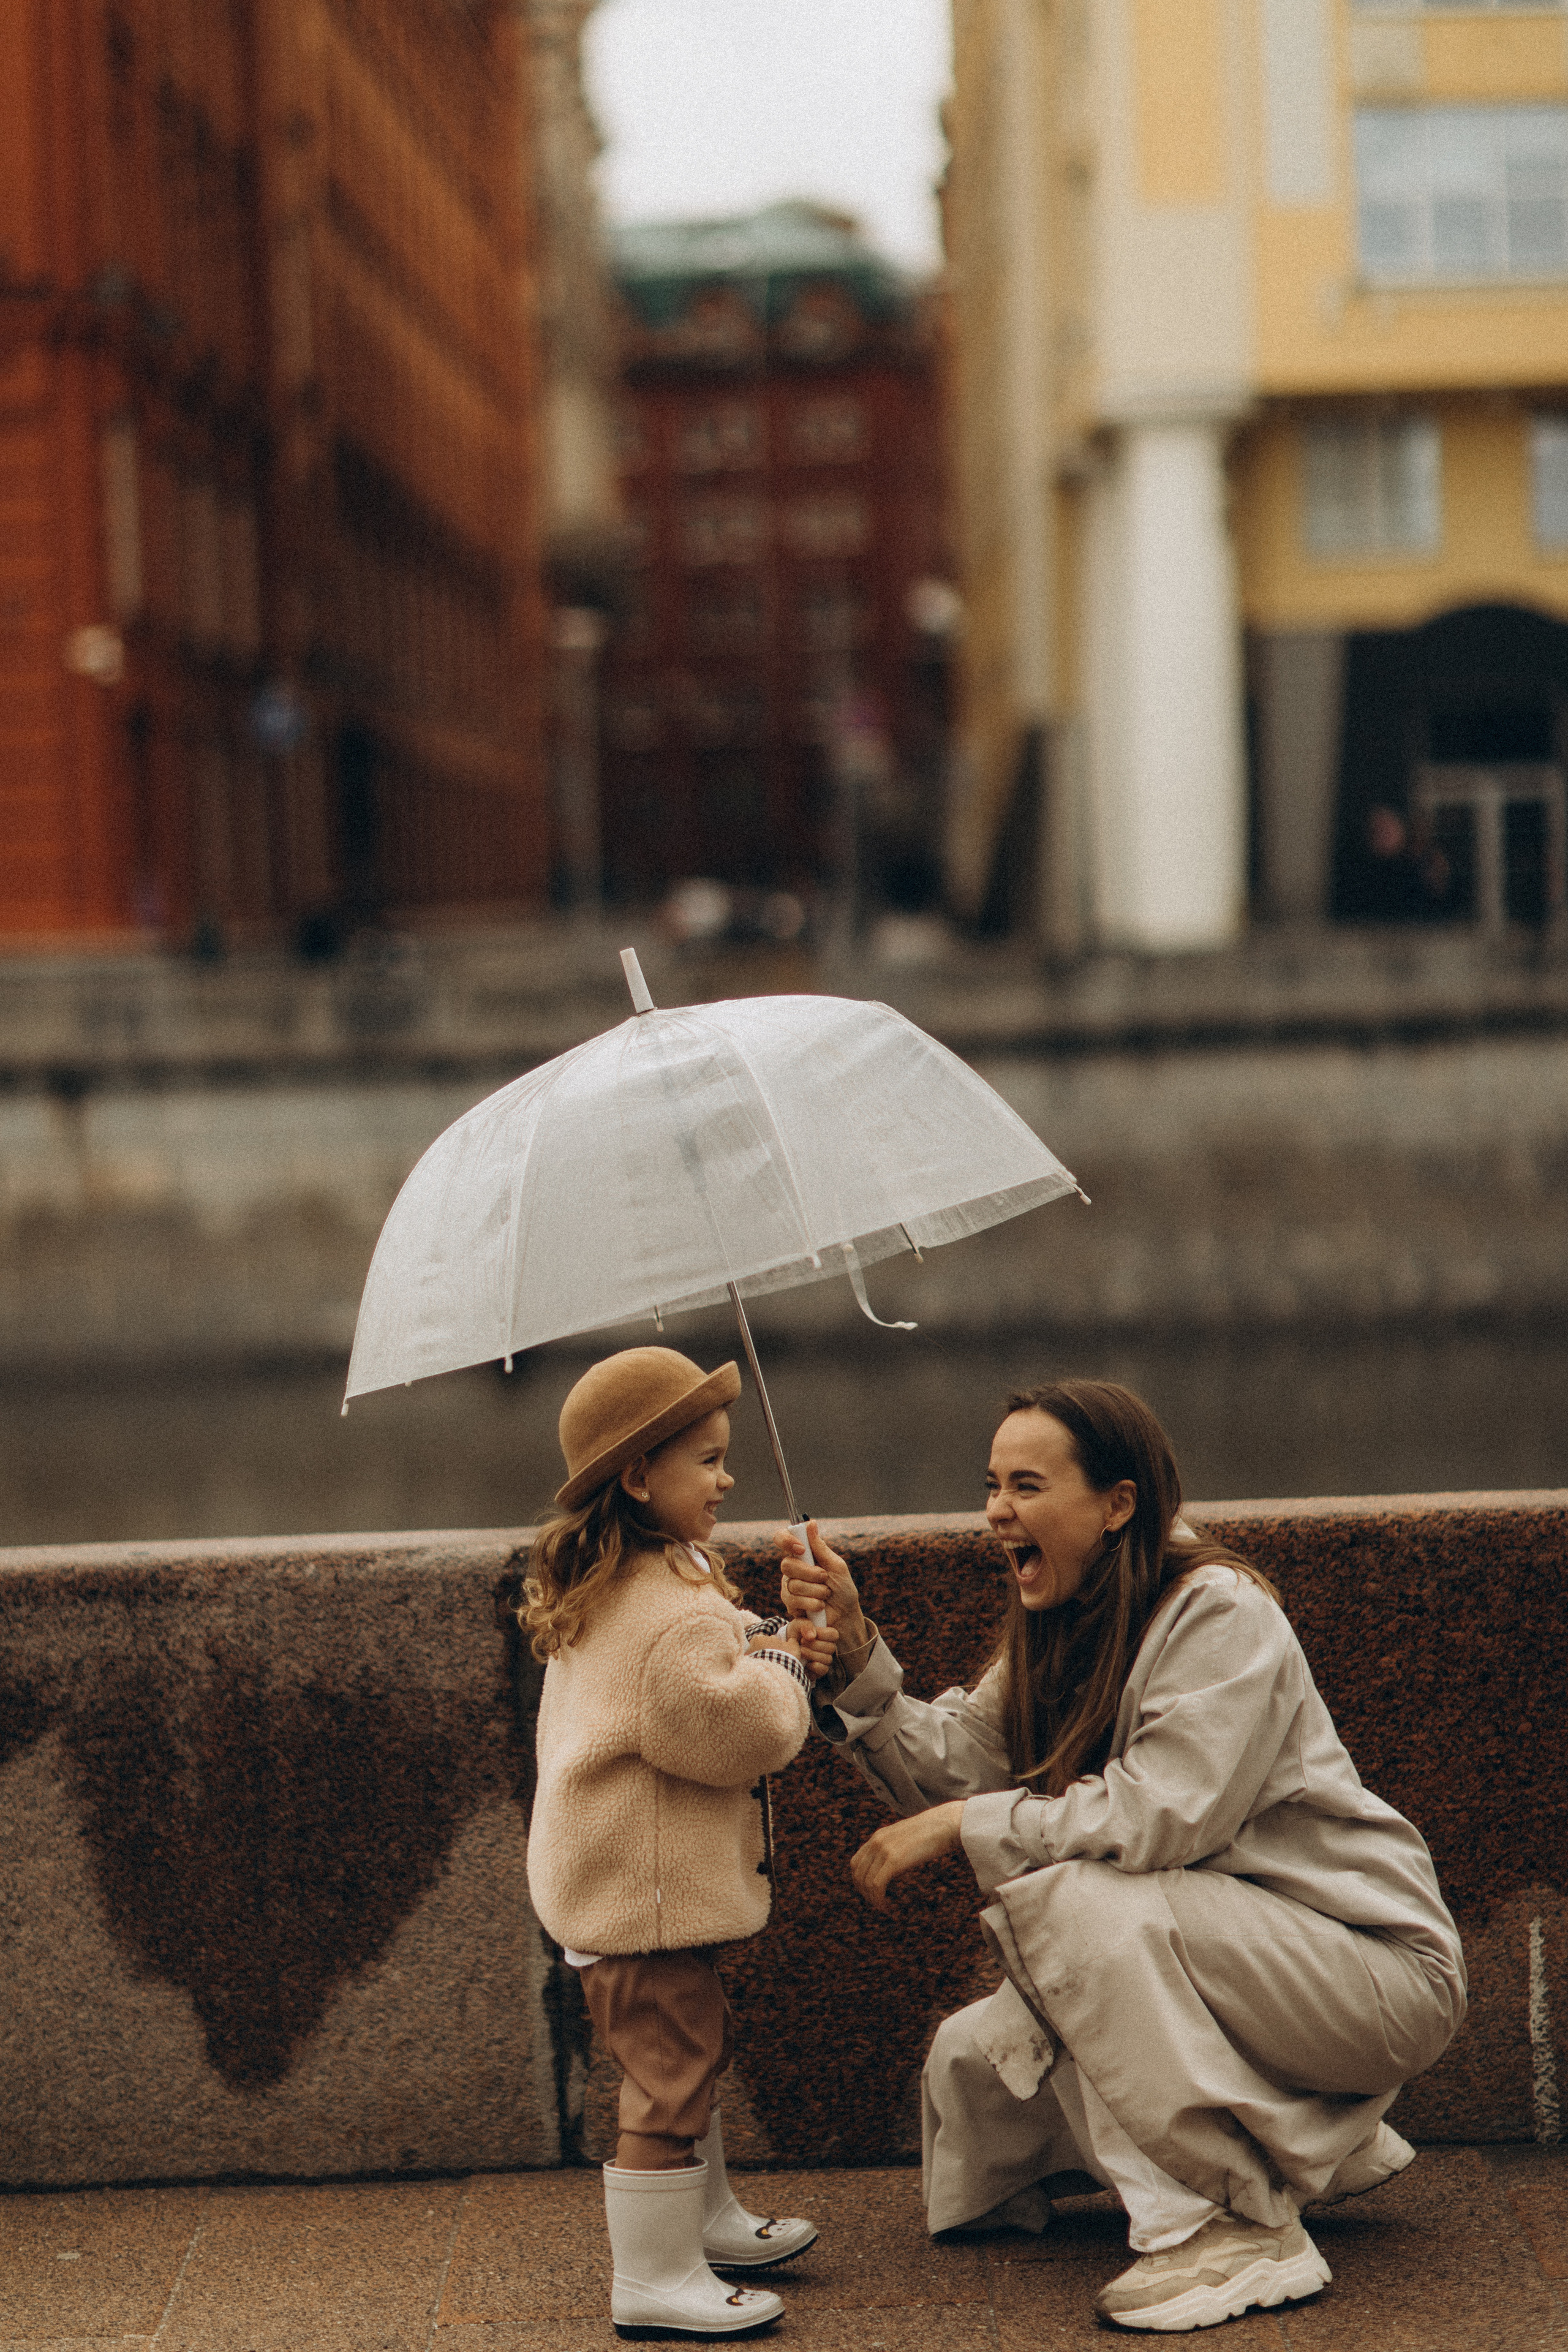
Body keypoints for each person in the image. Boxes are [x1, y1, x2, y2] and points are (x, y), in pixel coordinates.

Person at [779, 1379, 1466, 2335]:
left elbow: (1157, 1819)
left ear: (1118, 1503)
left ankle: (1227, 2226)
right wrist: (854, 1654)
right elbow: (957, 1769)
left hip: (1373, 1970)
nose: (996, 1511)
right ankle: (1309, 2141)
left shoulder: (1220, 1613)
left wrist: (964, 1826)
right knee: (974, 2062)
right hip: (1243, 1961)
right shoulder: (1063, 1624)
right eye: (991, 1484)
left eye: (1026, 1484)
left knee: (1068, 1905)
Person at [524, 1345, 834, 2340]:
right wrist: (786, 1654)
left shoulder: (632, 1580)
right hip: (640, 1903)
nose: (726, 1477)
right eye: (706, 1459)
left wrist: (763, 1635)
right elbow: (740, 1731)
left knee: (683, 2053)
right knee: (672, 2069)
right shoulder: (662, 1616)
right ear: (638, 1476)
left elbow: (704, 1644)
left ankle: (703, 2218)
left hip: (620, 1888)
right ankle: (653, 2278)